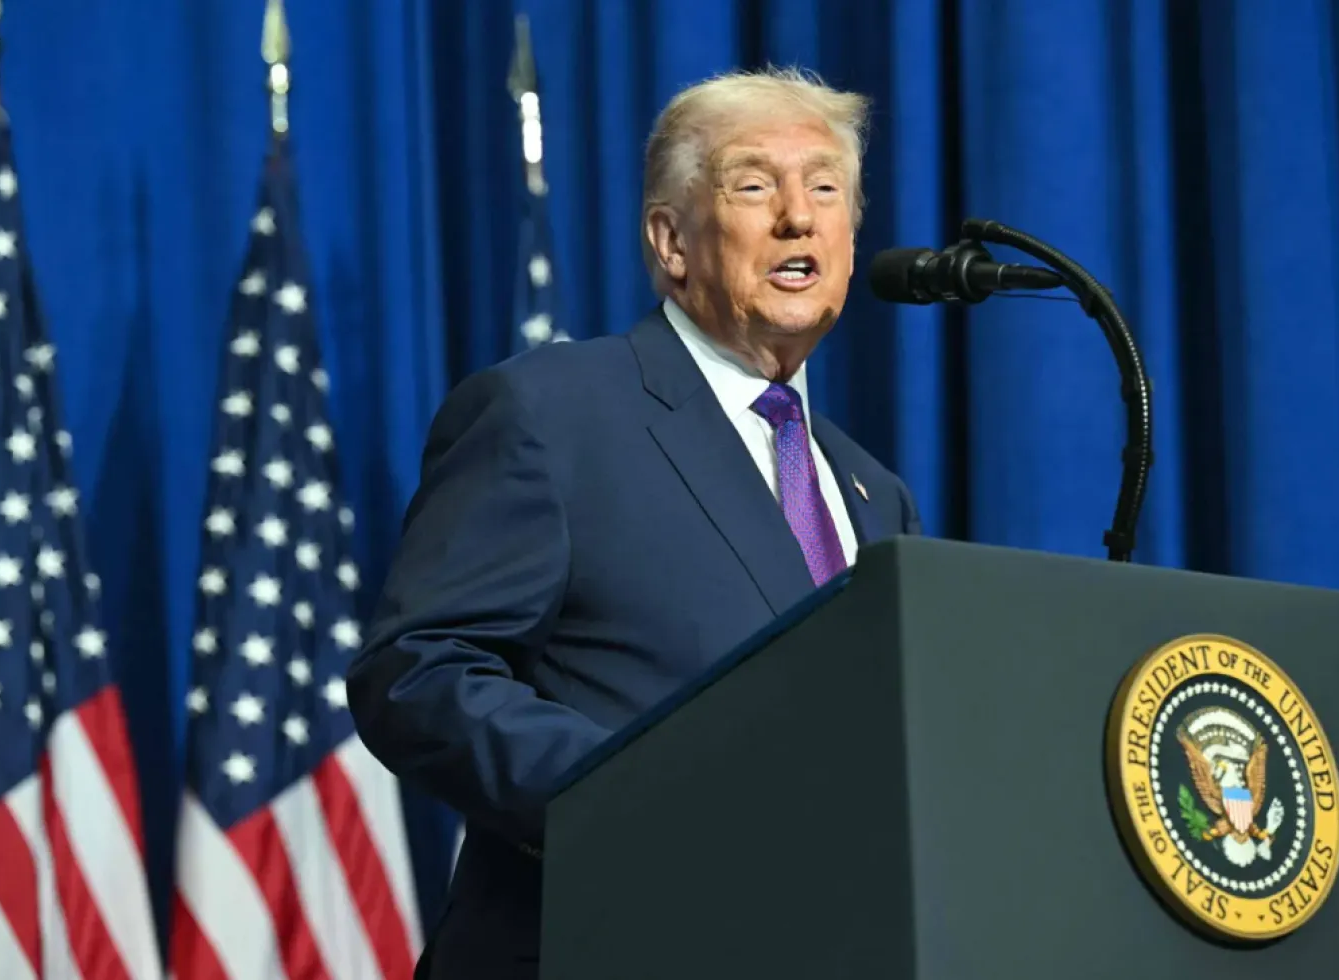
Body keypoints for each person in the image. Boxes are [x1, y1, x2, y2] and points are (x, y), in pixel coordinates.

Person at [348, 66, 922, 980]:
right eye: (752, 185)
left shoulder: (869, 490)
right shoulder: (552, 412)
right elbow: (417, 671)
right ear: (672, 240)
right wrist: (639, 794)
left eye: (825, 187)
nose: (798, 217)